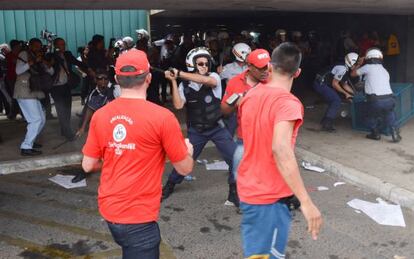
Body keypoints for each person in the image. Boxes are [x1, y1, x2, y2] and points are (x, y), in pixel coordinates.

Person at [81, 49, 194, 258]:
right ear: (149, 78)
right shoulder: (163, 118)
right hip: (138, 218)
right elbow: (185, 168)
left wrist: (117, 158)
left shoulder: (101, 115)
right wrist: (188, 150)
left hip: (109, 210)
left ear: (116, 79)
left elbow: (88, 165)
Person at [237, 42, 322, 259]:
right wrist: (306, 201)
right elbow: (280, 149)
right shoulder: (288, 104)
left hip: (251, 189)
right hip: (268, 198)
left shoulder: (249, 96)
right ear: (298, 72)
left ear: (270, 67)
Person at [162, 47, 238, 207]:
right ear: (192, 65)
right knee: (184, 161)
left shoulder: (214, 77)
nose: (205, 66)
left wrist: (179, 73)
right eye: (200, 63)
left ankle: (234, 191)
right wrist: (174, 81)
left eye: (206, 63)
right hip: (197, 131)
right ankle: (170, 184)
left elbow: (207, 81)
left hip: (217, 128)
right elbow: (178, 104)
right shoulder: (185, 85)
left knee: (235, 159)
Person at [221, 49, 271, 180]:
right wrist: (237, 102)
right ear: (249, 67)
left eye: (268, 65)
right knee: (238, 171)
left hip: (268, 136)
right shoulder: (235, 82)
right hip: (245, 137)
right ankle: (233, 193)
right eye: (261, 68)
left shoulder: (273, 80)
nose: (266, 70)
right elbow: (224, 111)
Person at [351, 48, 401, 142]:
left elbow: (353, 74)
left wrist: (359, 63)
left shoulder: (367, 67)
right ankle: (395, 134)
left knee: (366, 114)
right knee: (390, 113)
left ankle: (375, 133)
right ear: (380, 58)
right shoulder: (385, 70)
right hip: (390, 99)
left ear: (369, 58)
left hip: (375, 101)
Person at [14, 38, 49, 156]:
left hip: (34, 91)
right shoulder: (24, 54)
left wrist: (42, 61)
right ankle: (26, 146)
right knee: (35, 119)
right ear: (30, 46)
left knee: (42, 119)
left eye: (39, 46)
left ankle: (30, 141)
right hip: (24, 90)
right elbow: (18, 71)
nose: (38, 48)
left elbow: (49, 70)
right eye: (35, 46)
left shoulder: (37, 56)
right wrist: (32, 62)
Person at [51, 38, 89, 141]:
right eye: (60, 44)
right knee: (61, 110)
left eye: (64, 44)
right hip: (55, 87)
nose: (63, 46)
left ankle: (64, 129)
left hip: (66, 85)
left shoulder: (67, 54)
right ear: (55, 46)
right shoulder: (51, 56)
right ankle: (68, 133)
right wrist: (55, 56)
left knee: (67, 108)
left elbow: (77, 62)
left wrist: (89, 66)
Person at [313, 52, 359, 132]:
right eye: (356, 64)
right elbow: (335, 84)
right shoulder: (343, 68)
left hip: (321, 82)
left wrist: (355, 94)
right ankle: (327, 124)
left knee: (334, 99)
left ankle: (325, 120)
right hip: (320, 84)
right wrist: (346, 94)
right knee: (336, 100)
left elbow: (344, 85)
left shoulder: (345, 67)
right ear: (351, 62)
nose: (356, 66)